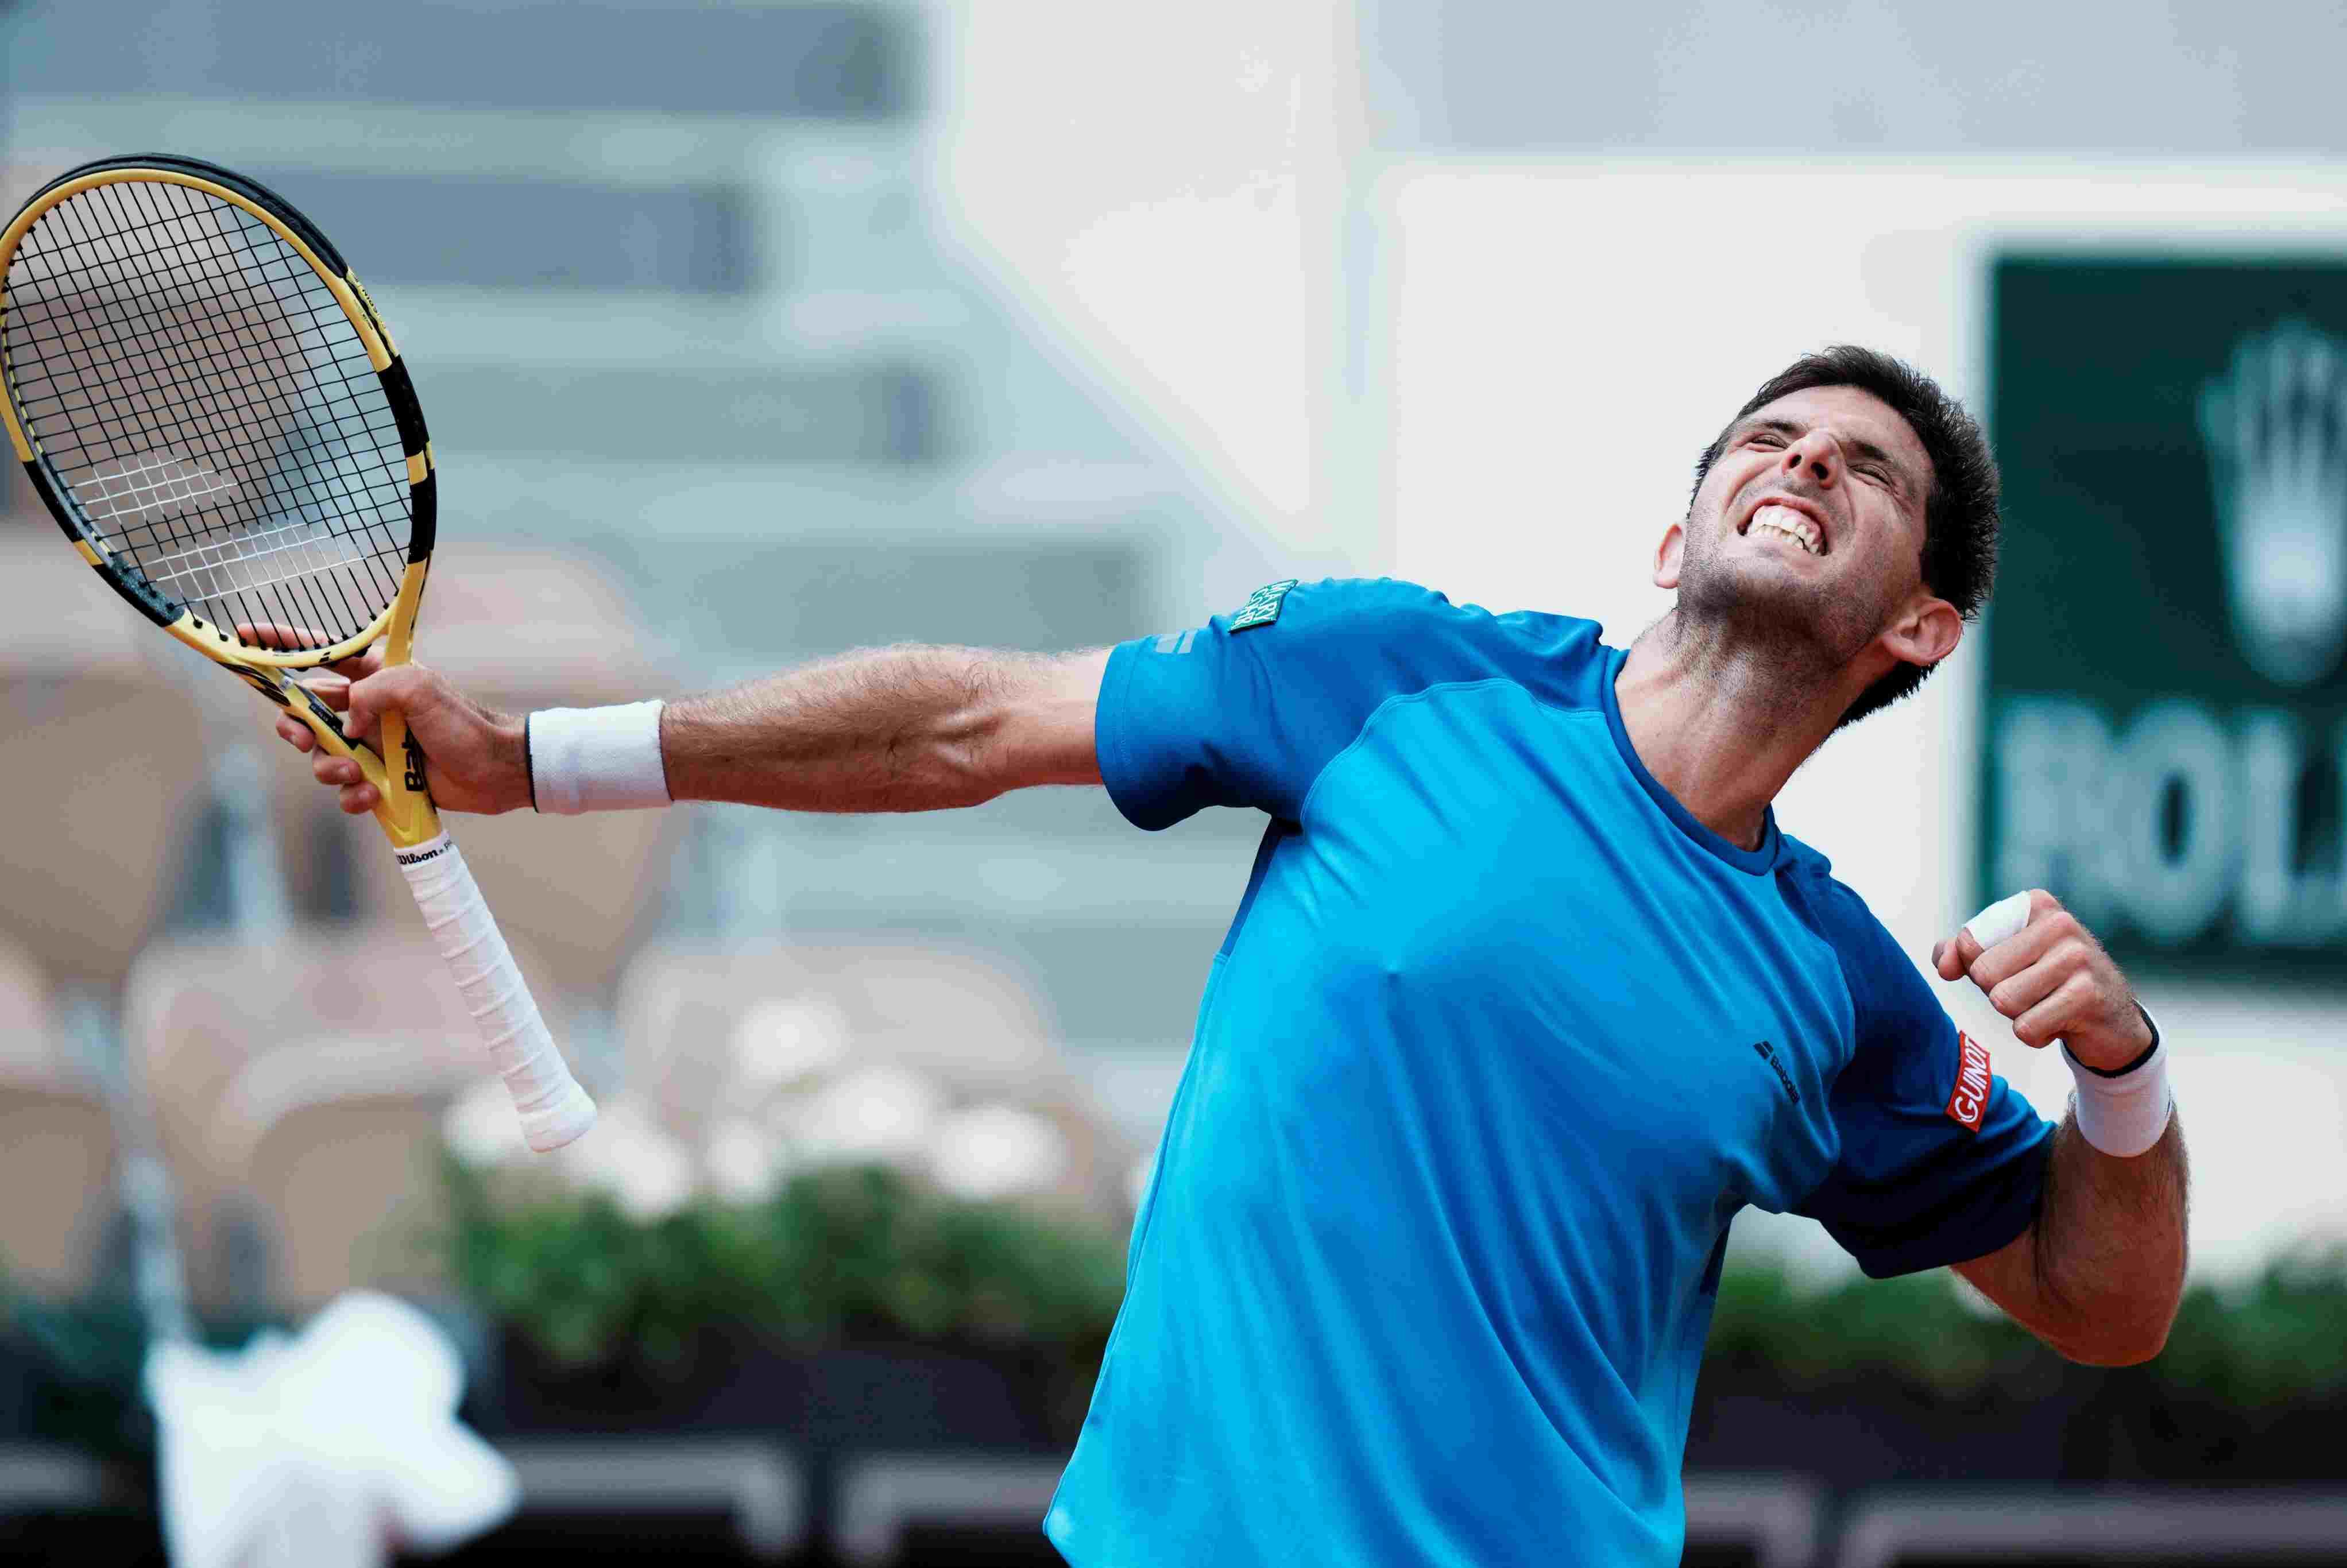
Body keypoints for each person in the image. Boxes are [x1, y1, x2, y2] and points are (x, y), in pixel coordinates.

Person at [273, 345, 2188, 1567]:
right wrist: (536, 761)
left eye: (1865, 467)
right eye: (1765, 436)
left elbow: (2092, 1299)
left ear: (1922, 627)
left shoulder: (1838, 988)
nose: (1803, 460)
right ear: (1672, 530)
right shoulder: (1396, 673)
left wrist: (2125, 1076)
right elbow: (967, 721)